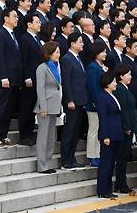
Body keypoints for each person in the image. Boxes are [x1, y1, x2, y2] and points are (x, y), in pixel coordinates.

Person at [0, 7, 23, 148]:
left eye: (17, 17)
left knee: (9, 108)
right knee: (1, 107)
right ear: (6, 18)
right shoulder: (0, 34)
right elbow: (0, 57)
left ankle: (3, 133)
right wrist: (3, 77)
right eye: (14, 16)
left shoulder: (13, 35)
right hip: (5, 78)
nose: (17, 18)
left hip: (15, 78)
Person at [60, 32, 88, 169]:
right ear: (72, 43)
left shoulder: (78, 58)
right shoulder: (67, 59)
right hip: (72, 102)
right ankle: (66, 160)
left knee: (75, 132)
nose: (82, 44)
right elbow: (66, 82)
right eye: (80, 42)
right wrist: (69, 99)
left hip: (80, 100)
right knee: (69, 131)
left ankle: (72, 158)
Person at [34, 41, 63, 173]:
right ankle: (42, 165)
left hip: (55, 105)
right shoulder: (42, 68)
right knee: (43, 137)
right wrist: (43, 107)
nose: (58, 54)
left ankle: (48, 163)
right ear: (49, 53)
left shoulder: (56, 67)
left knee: (51, 137)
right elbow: (40, 88)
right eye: (56, 52)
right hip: (45, 106)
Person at [96, 72, 124, 198]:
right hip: (109, 135)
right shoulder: (102, 96)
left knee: (111, 162)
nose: (115, 83)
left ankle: (108, 189)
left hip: (116, 133)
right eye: (113, 81)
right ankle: (102, 190)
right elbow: (103, 117)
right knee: (105, 163)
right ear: (107, 83)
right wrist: (105, 135)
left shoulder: (112, 95)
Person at [18, 13, 44, 145]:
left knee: (32, 106)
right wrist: (26, 77)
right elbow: (24, 59)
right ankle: (24, 134)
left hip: (37, 78)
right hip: (29, 78)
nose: (39, 24)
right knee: (26, 106)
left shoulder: (36, 38)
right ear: (29, 24)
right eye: (37, 22)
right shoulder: (25, 38)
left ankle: (30, 132)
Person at [113, 64, 137, 194]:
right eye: (128, 74)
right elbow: (123, 109)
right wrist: (127, 126)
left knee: (124, 156)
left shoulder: (125, 88)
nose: (130, 76)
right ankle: (120, 183)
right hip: (125, 129)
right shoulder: (120, 89)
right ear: (121, 76)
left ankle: (122, 182)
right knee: (122, 157)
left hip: (130, 127)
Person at [85, 41, 108, 167]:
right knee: (93, 130)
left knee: (100, 130)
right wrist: (96, 102)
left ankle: (98, 154)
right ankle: (91, 156)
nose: (105, 54)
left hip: (102, 103)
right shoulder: (92, 67)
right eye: (102, 52)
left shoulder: (101, 66)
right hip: (94, 104)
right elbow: (93, 88)